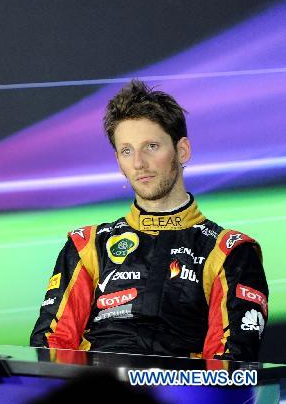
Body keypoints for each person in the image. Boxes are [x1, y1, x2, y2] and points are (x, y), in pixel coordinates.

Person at [31, 80, 268, 360]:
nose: (139, 163)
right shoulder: (87, 246)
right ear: (119, 162)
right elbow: (51, 348)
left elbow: (229, 365)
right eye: (127, 151)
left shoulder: (229, 252)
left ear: (182, 151)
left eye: (151, 146)